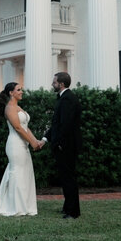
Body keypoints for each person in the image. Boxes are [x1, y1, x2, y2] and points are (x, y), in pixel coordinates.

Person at [0, 82, 42, 216]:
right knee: (16, 173)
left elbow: (25, 127)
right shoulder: (9, 108)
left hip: (23, 144)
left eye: (21, 90)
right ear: (11, 93)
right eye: (18, 90)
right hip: (15, 145)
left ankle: (26, 206)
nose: (21, 92)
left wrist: (35, 140)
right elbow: (18, 128)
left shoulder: (18, 107)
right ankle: (15, 207)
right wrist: (31, 142)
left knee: (25, 173)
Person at [40, 72, 81, 219]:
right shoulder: (64, 98)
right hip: (64, 145)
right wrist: (45, 138)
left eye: (54, 82)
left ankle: (73, 212)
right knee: (65, 178)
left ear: (61, 84)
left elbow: (66, 125)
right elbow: (57, 124)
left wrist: (60, 144)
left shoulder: (67, 99)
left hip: (66, 146)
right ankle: (67, 207)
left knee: (69, 178)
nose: (52, 84)